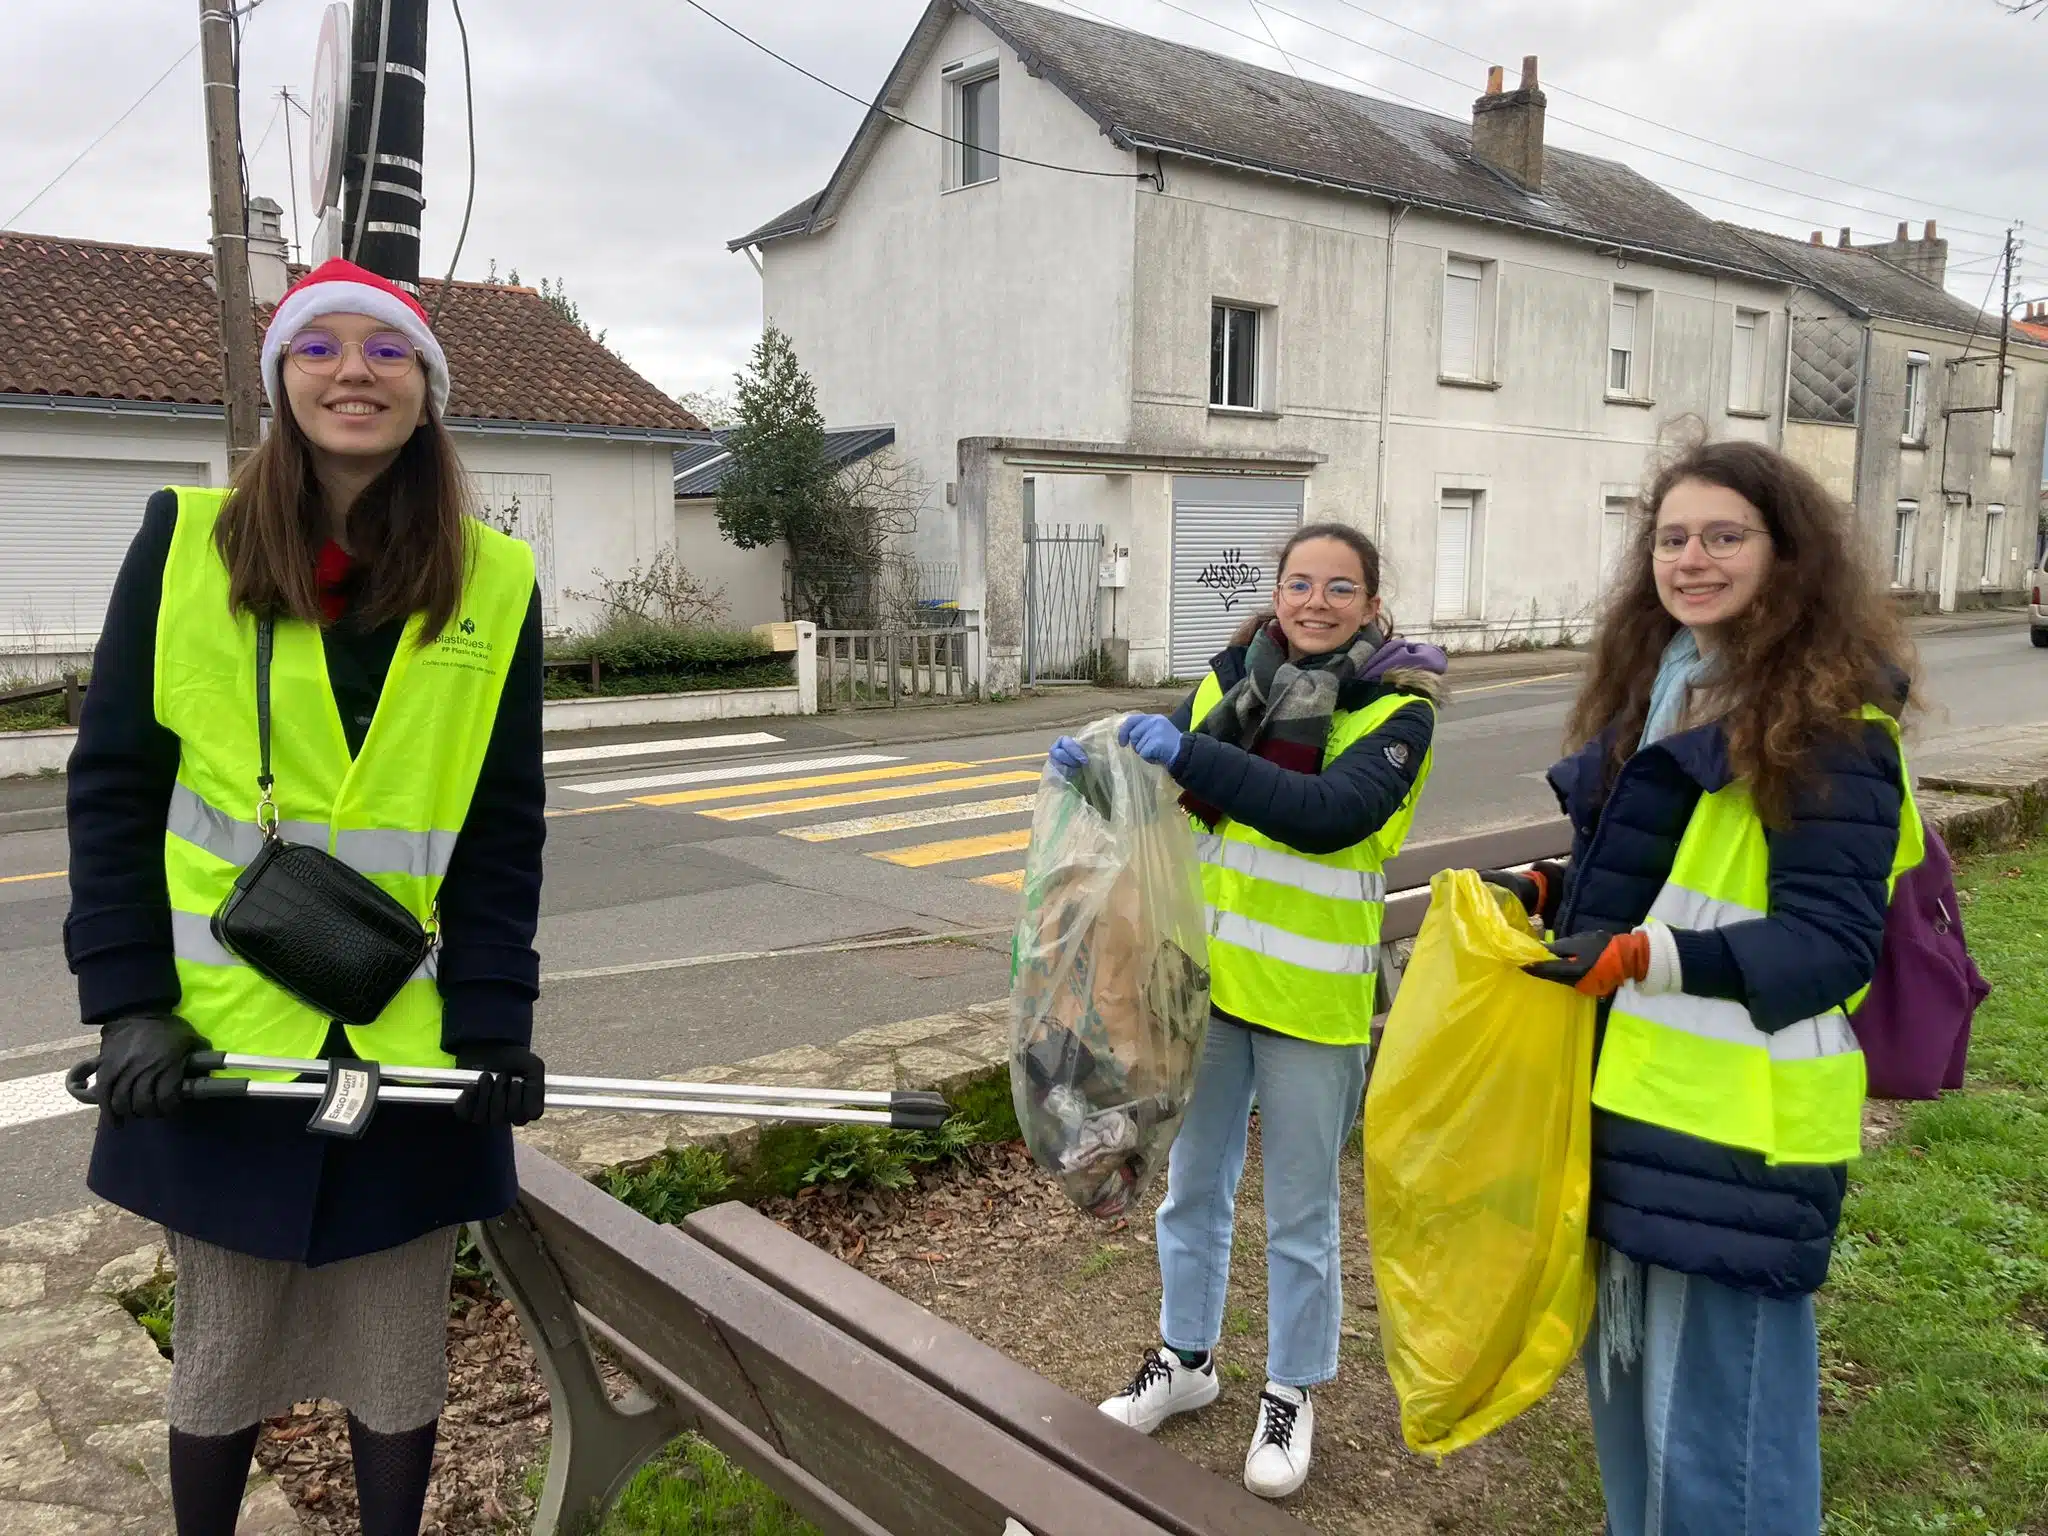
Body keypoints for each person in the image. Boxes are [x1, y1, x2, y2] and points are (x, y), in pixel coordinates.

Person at [65, 260, 548, 1536]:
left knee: (398, 1350)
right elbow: (113, 789)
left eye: (387, 352)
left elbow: (501, 827)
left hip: (408, 1034)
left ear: (428, 391)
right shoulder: (183, 545)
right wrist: (126, 1004)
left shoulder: (493, 579)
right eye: (320, 347)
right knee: (222, 1347)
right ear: (282, 378)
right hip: (221, 1041)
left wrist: (495, 1021)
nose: (353, 373)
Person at [1489, 440, 1919, 1536]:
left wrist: (1644, 959)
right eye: (1672, 538)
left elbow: (1827, 943)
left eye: (1723, 535)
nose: (1691, 557)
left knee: (1723, 1457)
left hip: (1738, 1132)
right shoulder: (1673, 688)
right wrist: (1549, 886)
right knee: (1638, 1430)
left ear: (1785, 556)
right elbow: (1665, 872)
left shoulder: (1831, 725)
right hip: (1636, 1104)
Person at [1050, 522, 1446, 1499]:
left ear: (1370, 602)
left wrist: (1187, 749)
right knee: (1193, 1188)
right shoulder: (1228, 688)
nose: (1313, 601)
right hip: (1209, 998)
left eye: (1337, 587)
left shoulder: (1397, 714)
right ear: (1275, 591)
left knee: (1302, 1214)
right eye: (1298, 582)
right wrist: (1100, 781)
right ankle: (1185, 1361)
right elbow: (1177, 803)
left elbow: (1321, 816)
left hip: (1311, 1006)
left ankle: (1290, 1387)